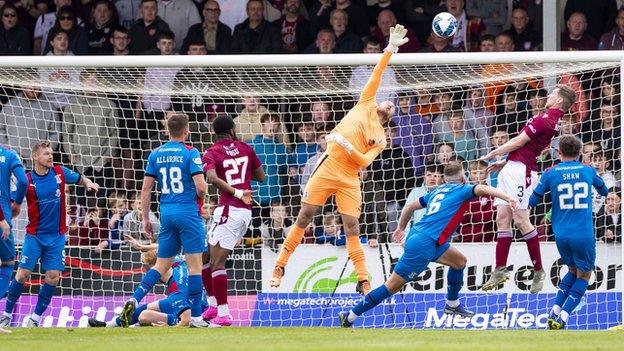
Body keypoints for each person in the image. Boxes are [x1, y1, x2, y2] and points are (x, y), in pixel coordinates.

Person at [269, 25, 409, 295]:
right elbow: (378, 73)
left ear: (390, 116)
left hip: (349, 176)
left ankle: (363, 279)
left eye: (392, 106)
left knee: (352, 226)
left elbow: (366, 161)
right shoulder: (366, 102)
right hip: (329, 166)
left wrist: (347, 145)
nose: (389, 103)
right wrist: (390, 48)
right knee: (305, 215)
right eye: (387, 101)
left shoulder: (381, 136)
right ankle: (280, 265)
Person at [338, 163, 518, 327]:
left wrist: (400, 228)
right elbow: (483, 188)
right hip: (424, 243)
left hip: (426, 239)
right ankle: (350, 316)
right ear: (463, 178)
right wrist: (508, 197)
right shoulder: (463, 189)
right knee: (391, 287)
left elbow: (409, 207)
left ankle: (452, 305)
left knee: (459, 262)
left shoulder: (436, 191)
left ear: (444, 179)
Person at [480, 85, 577, 293]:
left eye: (553, 93)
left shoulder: (543, 120)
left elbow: (518, 142)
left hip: (521, 173)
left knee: (521, 220)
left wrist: (493, 153)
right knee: (502, 219)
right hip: (513, 168)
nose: (549, 95)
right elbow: (529, 148)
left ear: (559, 100)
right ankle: (499, 270)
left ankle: (539, 270)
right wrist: (505, 162)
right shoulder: (551, 121)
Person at [120, 113, 208, 328]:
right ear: (187, 131)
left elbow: (146, 189)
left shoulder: (155, 154)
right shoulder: (191, 152)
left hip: (166, 212)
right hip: (187, 211)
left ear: (167, 130)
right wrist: (200, 198)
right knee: (195, 267)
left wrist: (145, 218)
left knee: (160, 265)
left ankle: (134, 298)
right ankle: (196, 318)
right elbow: (201, 187)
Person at [0, 141, 99, 327]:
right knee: (22, 274)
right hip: (34, 236)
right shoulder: (27, 180)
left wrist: (88, 183)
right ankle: (6, 314)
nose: (51, 156)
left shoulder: (60, 173)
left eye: (51, 153)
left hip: (57, 237)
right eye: (46, 153)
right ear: (36, 157)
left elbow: (79, 178)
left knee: (53, 276)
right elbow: (12, 201)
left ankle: (35, 319)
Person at [527, 135, 608, 329]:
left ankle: (554, 310)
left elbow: (533, 201)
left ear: (559, 152)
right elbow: (604, 191)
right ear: (580, 153)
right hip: (583, 232)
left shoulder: (550, 173)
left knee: (572, 270)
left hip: (560, 234)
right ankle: (563, 316)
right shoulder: (588, 170)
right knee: (585, 274)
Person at [201, 115, 265, 327]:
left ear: (214, 132)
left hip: (230, 208)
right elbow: (261, 176)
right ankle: (212, 305)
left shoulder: (211, 152)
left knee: (217, 262)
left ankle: (224, 314)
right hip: (244, 212)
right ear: (232, 130)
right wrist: (242, 175)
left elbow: (210, 178)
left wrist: (237, 192)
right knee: (206, 257)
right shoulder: (245, 147)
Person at [88, 250, 200, 327]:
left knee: (144, 316)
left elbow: (187, 320)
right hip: (193, 301)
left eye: (151, 270)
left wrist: (170, 326)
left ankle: (174, 320)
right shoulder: (177, 262)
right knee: (147, 307)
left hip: (193, 312)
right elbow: (160, 247)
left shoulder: (176, 291)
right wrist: (143, 248)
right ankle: (108, 325)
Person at [0, 144, 27, 306]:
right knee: (8, 263)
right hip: (2, 220)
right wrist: (17, 203)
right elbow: (23, 181)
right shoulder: (9, 154)